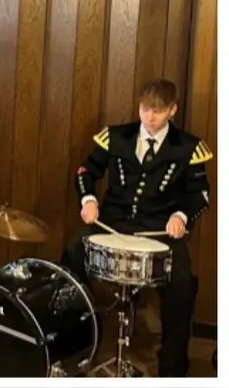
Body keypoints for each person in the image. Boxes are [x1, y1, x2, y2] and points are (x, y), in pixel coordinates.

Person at [63, 78, 210, 377]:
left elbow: (200, 196)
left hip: (159, 231)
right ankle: (74, 345)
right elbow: (85, 172)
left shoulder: (189, 148)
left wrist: (181, 216)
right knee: (72, 253)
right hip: (112, 224)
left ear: (173, 110)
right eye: (145, 109)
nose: (149, 117)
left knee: (182, 282)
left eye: (157, 111)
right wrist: (88, 200)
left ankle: (172, 368)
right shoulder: (116, 137)